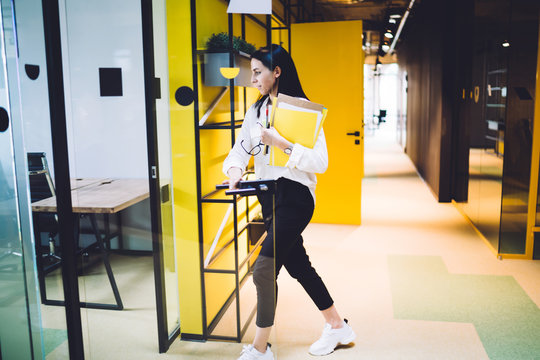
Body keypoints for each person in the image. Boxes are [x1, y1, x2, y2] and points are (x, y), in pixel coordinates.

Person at [222, 44, 355, 360]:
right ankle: (337, 326)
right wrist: (234, 170)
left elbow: (320, 162)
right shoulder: (255, 112)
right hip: (268, 197)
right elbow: (240, 150)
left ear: (276, 72)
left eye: (258, 72)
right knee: (299, 266)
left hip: (296, 197)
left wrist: (282, 144)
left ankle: (260, 348)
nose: (253, 79)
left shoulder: (304, 109)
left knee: (263, 269)